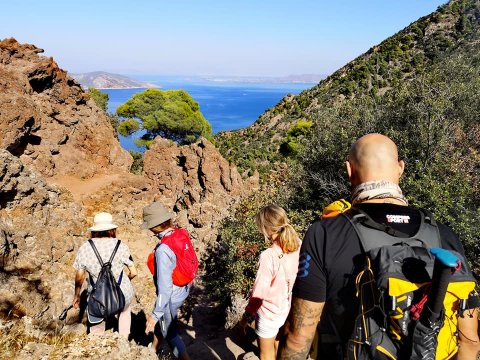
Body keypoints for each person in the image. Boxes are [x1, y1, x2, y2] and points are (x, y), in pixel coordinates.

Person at [278, 133, 480, 359]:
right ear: (401, 169)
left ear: (349, 171)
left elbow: (298, 337)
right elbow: (469, 341)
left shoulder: (324, 234)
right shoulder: (444, 235)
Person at [240, 204, 301, 360]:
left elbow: (259, 293)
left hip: (269, 314)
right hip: (287, 308)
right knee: (279, 345)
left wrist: (247, 316)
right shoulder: (298, 244)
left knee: (266, 354)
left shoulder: (268, 256)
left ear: (267, 228)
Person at [73, 212, 137, 337]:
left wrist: (77, 295)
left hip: (98, 296)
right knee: (124, 311)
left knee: (96, 319)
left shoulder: (86, 247)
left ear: (95, 230)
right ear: (112, 229)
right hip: (123, 293)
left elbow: (80, 276)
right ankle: (123, 339)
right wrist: (124, 281)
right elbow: (134, 272)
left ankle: (97, 341)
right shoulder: (121, 245)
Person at [142, 201, 193, 360]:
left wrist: (155, 315)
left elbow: (164, 288)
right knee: (164, 325)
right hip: (184, 288)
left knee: (170, 333)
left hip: (170, 295)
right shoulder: (179, 233)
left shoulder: (163, 250)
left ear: (154, 226)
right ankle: (152, 352)